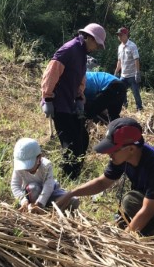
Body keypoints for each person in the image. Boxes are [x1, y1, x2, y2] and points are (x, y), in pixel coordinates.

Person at [56, 118, 154, 237]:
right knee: (125, 217)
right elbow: (102, 182)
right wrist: (71, 193)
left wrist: (125, 239)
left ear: (131, 149)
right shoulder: (122, 158)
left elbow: (147, 210)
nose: (109, 154)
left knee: (131, 201)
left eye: (113, 150)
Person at [41, 23, 106, 180]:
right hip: (59, 103)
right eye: (96, 44)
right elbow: (51, 72)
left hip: (70, 103)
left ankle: (75, 174)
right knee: (71, 144)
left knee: (82, 138)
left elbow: (80, 78)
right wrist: (47, 98)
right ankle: (68, 177)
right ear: (88, 37)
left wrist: (79, 97)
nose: (96, 47)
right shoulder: (69, 49)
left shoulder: (82, 53)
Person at [11, 138, 79, 213]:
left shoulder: (46, 165)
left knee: (74, 200)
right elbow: (15, 185)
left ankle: (47, 208)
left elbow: (48, 186)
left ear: (39, 158)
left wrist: (40, 203)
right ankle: (34, 209)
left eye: (29, 165)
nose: (26, 169)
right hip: (30, 196)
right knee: (33, 188)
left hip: (49, 194)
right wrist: (23, 200)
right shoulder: (18, 168)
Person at [114, 27, 143, 111]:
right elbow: (119, 61)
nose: (119, 37)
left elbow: (136, 59)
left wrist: (137, 73)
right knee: (121, 91)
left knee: (135, 92)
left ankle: (139, 108)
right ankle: (124, 105)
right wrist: (116, 72)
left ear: (126, 35)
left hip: (132, 75)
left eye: (121, 35)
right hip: (123, 75)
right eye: (118, 35)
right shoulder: (120, 47)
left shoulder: (132, 46)